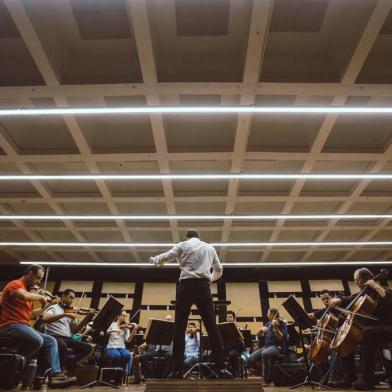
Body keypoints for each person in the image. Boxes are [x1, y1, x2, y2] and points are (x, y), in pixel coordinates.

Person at [150, 229, 230, 379]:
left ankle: (177, 370)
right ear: (199, 237)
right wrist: (208, 280)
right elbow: (219, 270)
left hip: (185, 286)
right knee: (212, 327)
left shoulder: (182, 245)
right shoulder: (209, 247)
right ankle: (221, 368)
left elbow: (166, 257)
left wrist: (155, 259)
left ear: (187, 237)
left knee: (179, 327)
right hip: (204, 287)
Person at [0, 265, 77, 388]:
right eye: (38, 278)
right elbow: (23, 296)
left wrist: (46, 306)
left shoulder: (28, 292)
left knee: (51, 341)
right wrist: (41, 297)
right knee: (37, 340)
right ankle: (18, 367)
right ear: (29, 274)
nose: (39, 282)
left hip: (22, 325)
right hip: (9, 325)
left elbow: (30, 315)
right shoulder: (15, 284)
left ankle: (55, 376)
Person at [328, 268, 392, 390]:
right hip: (371, 329)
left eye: (357, 279)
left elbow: (389, 300)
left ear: (366, 279)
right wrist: (339, 300)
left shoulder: (385, 290)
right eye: (355, 280)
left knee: (367, 333)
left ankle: (366, 379)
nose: (356, 282)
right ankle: (349, 377)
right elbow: (348, 299)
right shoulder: (362, 294)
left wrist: (376, 287)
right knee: (346, 337)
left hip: (387, 327)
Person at [43, 288, 94, 372]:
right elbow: (45, 319)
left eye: (73, 298)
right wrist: (65, 314)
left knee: (88, 348)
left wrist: (86, 318)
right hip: (54, 337)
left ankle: (69, 361)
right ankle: (59, 371)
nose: (72, 300)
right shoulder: (54, 307)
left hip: (66, 338)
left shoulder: (70, 311)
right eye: (70, 297)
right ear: (63, 296)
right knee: (62, 345)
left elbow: (74, 330)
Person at [247, 308, 287, 386]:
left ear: (272, 314)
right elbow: (258, 334)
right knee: (250, 360)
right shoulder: (268, 324)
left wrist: (276, 328)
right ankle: (269, 372)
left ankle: (267, 380)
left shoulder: (282, 324)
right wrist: (261, 330)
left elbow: (280, 338)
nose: (267, 315)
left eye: (268, 314)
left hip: (277, 347)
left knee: (265, 353)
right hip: (266, 346)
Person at [105, 310, 138, 375]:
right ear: (118, 316)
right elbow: (105, 332)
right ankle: (113, 372)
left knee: (127, 355)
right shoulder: (112, 324)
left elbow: (128, 340)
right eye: (123, 315)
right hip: (111, 347)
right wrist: (114, 330)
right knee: (116, 355)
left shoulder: (126, 327)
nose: (125, 317)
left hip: (122, 348)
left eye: (126, 315)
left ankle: (120, 371)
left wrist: (133, 331)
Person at [223, 311, 246, 377]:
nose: (229, 318)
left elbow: (242, 339)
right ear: (226, 318)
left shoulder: (237, 327)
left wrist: (238, 331)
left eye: (231, 317)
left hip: (236, 349)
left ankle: (234, 373)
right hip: (227, 348)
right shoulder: (224, 328)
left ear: (233, 318)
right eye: (228, 317)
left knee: (232, 355)